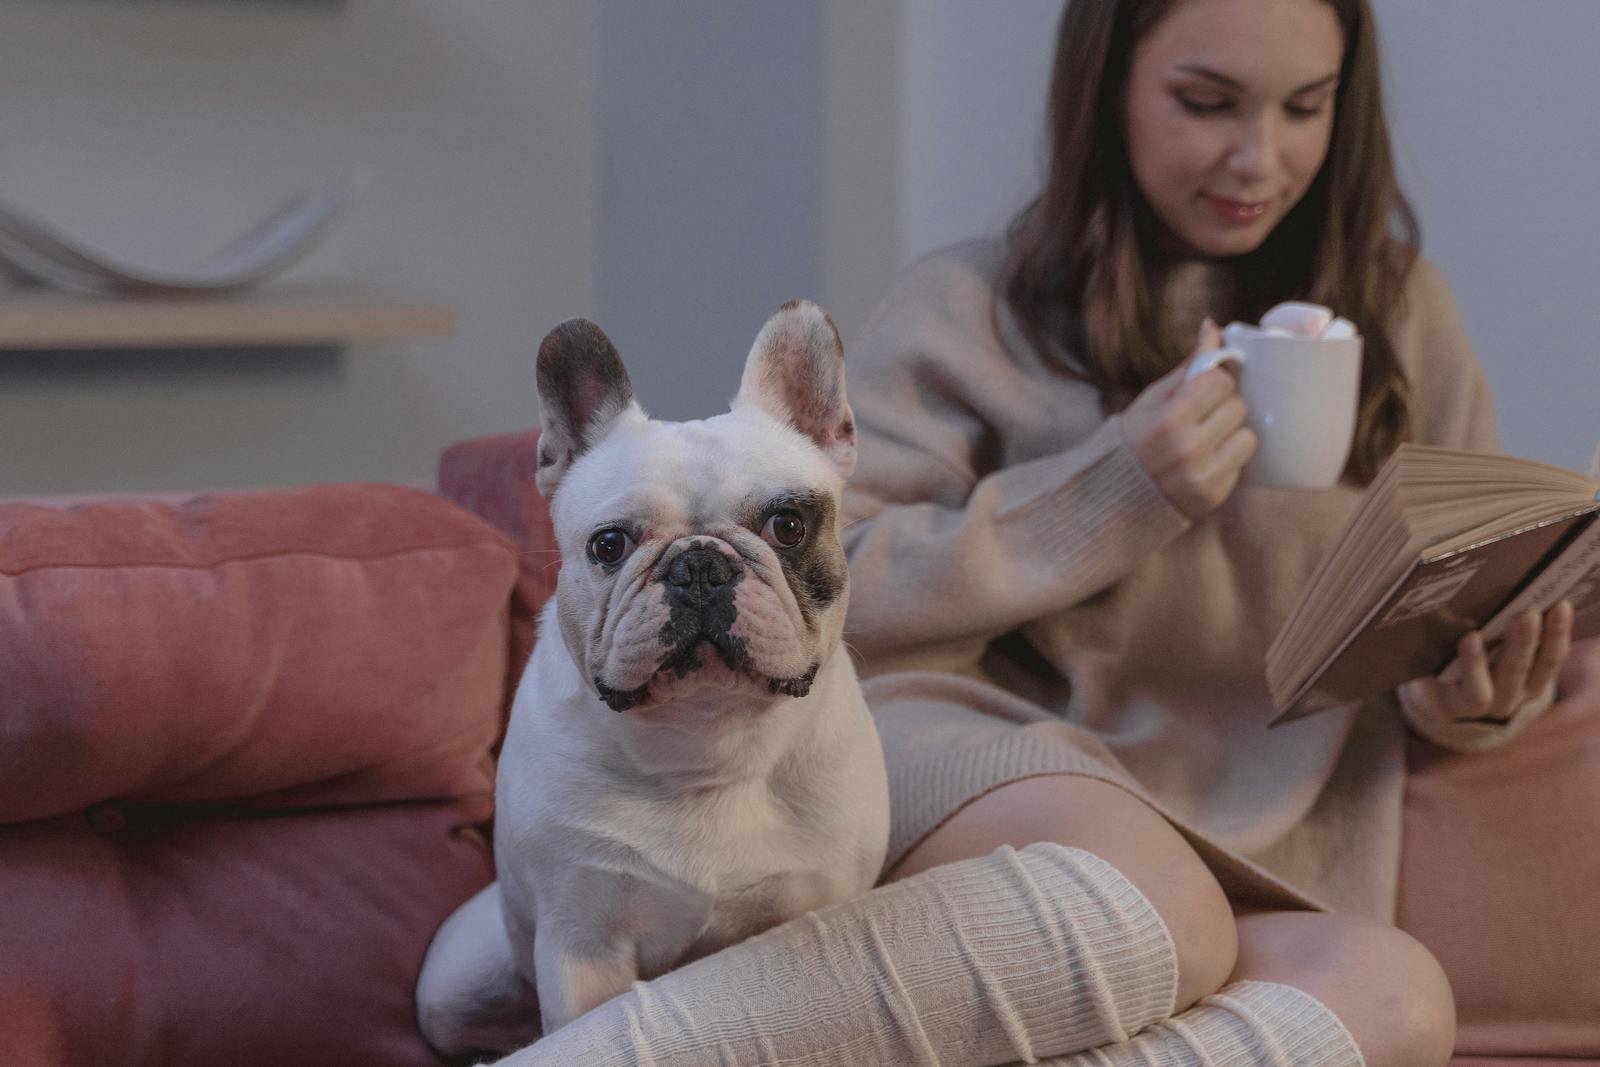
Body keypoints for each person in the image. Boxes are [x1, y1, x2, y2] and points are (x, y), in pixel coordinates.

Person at [501, 1, 1574, 1064]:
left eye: (1306, 107)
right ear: (1106, 92)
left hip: (1259, 811)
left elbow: (1450, 579)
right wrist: (1114, 488)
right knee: (1154, 897)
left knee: (1400, 996)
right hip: (979, 739)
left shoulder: (1401, 316)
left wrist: (1468, 693)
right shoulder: (969, 305)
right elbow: (832, 577)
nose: (1260, 156)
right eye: (1205, 104)